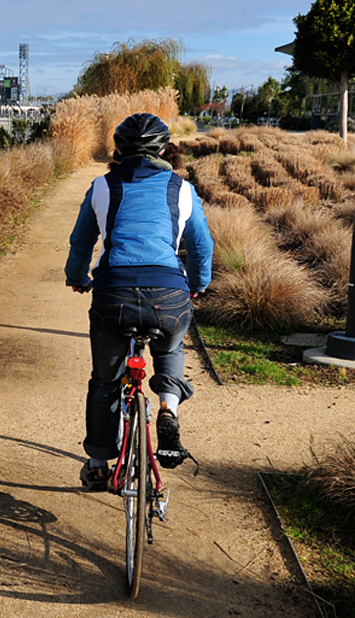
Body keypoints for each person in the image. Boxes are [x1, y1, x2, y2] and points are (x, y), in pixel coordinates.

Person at [64, 113, 214, 491]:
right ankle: (167, 404)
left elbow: (82, 242)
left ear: (118, 150)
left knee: (105, 381)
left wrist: (77, 278)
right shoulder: (181, 189)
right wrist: (198, 284)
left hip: (113, 292)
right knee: (172, 344)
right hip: (168, 292)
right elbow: (200, 245)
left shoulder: (102, 186)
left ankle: (99, 464)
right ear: (164, 149)